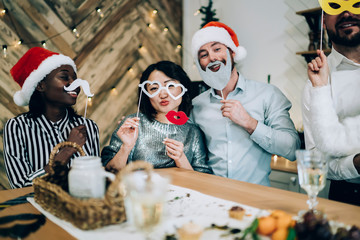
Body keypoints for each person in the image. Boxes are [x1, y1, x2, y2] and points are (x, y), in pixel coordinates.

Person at [190, 21, 300, 186]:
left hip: (256, 198)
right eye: (204, 54)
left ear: (232, 53)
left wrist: (250, 123)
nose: (212, 57)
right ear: (201, 65)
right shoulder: (196, 105)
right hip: (213, 197)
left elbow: (292, 149)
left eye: (217, 49)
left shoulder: (268, 94)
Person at [3, 47, 100, 189]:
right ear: (41, 85)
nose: (74, 83)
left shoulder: (88, 127)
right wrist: (67, 150)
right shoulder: (17, 127)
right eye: (64, 77)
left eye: (75, 78)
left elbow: (96, 179)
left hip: (82, 209)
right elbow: (20, 186)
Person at [101, 61, 213, 174]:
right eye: (154, 88)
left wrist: (181, 159)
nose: (163, 94)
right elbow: (109, 171)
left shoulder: (193, 131)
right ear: (146, 94)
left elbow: (203, 177)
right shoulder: (132, 125)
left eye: (170, 86)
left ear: (183, 88)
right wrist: (126, 147)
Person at [304, 14, 360, 205]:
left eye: (355, 2)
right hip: (348, 195)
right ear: (323, 20)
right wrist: (356, 163)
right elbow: (315, 159)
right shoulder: (316, 82)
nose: (346, 12)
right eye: (335, 4)